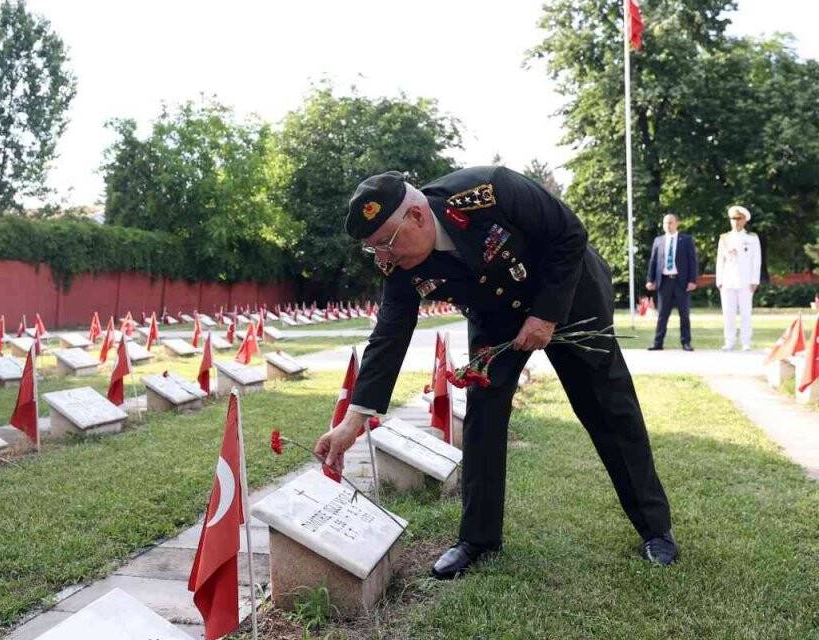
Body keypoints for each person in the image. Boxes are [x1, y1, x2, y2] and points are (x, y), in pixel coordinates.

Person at [315, 166, 676, 579]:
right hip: (496, 318)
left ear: (416, 215)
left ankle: (655, 529)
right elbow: (389, 335)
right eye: (373, 249)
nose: (383, 257)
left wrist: (544, 316)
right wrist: (354, 421)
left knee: (609, 408)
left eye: (386, 243)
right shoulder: (398, 263)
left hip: (569, 296)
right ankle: (478, 539)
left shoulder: (488, 190)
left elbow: (569, 234)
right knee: (483, 419)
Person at [644, 213, 699, 351]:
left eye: (670, 222)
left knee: (684, 314)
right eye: (665, 223)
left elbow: (692, 261)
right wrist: (650, 279)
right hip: (664, 282)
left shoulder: (686, 240)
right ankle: (658, 343)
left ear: (677, 223)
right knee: (662, 314)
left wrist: (692, 280)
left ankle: (686, 342)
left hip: (681, 282)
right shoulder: (659, 240)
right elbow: (653, 261)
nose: (667, 225)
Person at [715, 205, 760, 351]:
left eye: (738, 218)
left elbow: (756, 260)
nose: (735, 221)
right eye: (733, 219)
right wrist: (719, 280)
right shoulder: (724, 238)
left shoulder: (752, 238)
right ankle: (729, 341)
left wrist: (755, 280)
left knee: (746, 313)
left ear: (745, 220)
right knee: (728, 313)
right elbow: (720, 261)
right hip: (728, 280)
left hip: (746, 281)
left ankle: (745, 341)